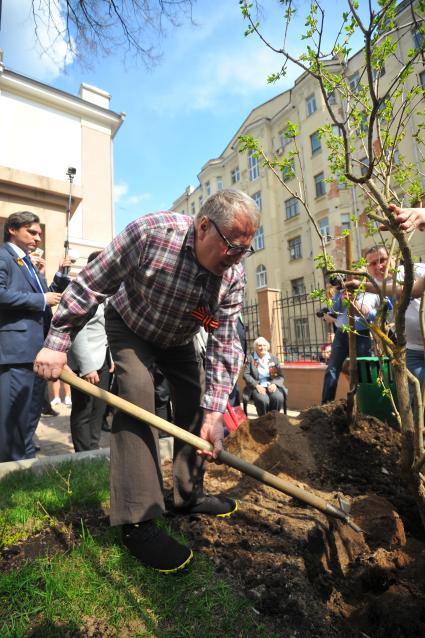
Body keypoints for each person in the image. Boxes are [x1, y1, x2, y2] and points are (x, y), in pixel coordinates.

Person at [33, 189, 260, 573]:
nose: (236, 258)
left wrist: (215, 412)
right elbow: (90, 284)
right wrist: (57, 342)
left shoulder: (231, 276)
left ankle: (188, 495)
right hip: (131, 325)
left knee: (198, 403)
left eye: (244, 250)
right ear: (204, 226)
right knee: (138, 397)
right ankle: (138, 519)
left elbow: (223, 341)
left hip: (179, 336)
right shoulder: (151, 234)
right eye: (232, 247)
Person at [0, 211, 70, 462]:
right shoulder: (3, 256)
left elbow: (44, 295)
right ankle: (10, 467)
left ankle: (26, 456)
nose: (38, 237)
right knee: (14, 414)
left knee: (30, 412)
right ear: (12, 229)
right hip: (15, 350)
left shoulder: (27, 262)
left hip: (37, 348)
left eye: (39, 233)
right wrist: (41, 299)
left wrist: (58, 277)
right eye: (32, 232)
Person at [321, 252, 383, 404]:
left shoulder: (373, 291)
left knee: (364, 370)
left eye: (358, 274)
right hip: (342, 334)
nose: (355, 278)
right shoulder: (343, 290)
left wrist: (366, 310)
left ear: (364, 274)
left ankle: (366, 404)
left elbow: (378, 316)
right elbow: (334, 310)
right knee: (332, 369)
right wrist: (340, 298)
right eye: (353, 275)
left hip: (361, 334)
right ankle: (325, 405)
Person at [67, 251, 112, 452]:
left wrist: (111, 358)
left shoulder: (106, 291)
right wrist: (87, 368)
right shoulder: (81, 290)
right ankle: (82, 454)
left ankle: (93, 449)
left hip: (102, 360)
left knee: (99, 408)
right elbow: (77, 332)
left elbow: (106, 328)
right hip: (85, 363)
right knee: (83, 409)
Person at [243, 337, 287, 416]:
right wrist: (256, 385)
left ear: (267, 347)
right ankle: (263, 420)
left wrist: (274, 384)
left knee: (278, 398)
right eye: (259, 345)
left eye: (264, 345)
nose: (262, 347)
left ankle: (274, 418)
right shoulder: (251, 358)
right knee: (263, 400)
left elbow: (280, 376)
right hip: (257, 385)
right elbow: (246, 375)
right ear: (255, 347)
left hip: (271, 384)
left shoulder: (273, 358)